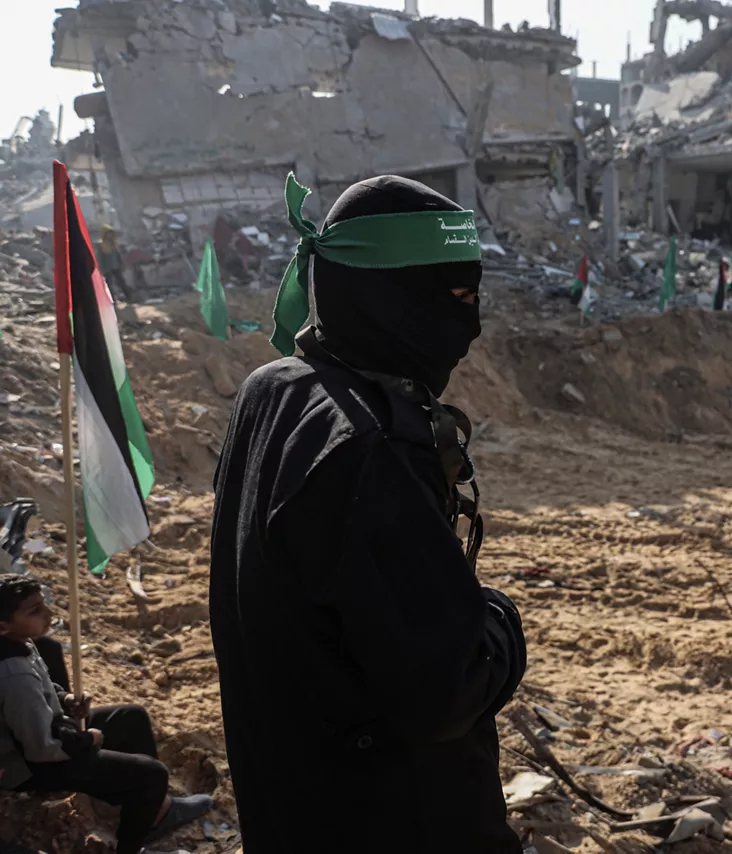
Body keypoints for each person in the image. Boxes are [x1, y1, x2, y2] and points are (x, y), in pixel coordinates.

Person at [210, 174, 527, 852]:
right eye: (455, 297)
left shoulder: (273, 390)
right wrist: (499, 622)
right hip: (391, 817)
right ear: (389, 299)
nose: (469, 325)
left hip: (297, 798)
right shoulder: (370, 446)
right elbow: (446, 687)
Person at [0, 576, 211, 854]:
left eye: (44, 604)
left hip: (49, 735)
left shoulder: (20, 644)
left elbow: (42, 691)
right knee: (151, 775)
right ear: (3, 625)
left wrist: (65, 699)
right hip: (31, 766)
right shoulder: (12, 672)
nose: (49, 614)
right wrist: (87, 740)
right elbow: (41, 747)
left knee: (130, 717)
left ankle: (156, 812)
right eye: (35, 610)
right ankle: (130, 847)